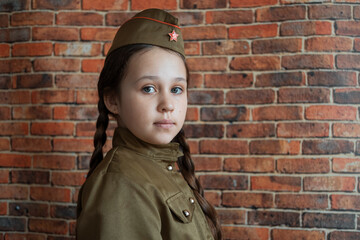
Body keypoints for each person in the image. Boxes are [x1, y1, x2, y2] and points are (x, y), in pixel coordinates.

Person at [76, 8, 222, 240]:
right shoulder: (121, 185)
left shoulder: (161, 167)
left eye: (176, 89)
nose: (167, 104)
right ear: (113, 100)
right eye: (149, 88)